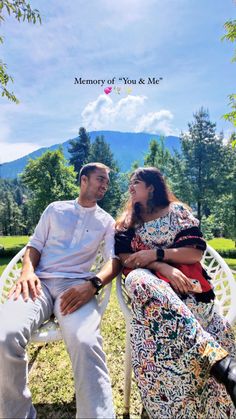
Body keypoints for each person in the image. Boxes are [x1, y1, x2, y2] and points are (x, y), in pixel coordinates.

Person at [0, 162, 121, 419]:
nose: (104, 186)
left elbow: (114, 261)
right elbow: (34, 246)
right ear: (84, 180)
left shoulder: (106, 221)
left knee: (86, 340)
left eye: (107, 183)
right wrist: (27, 272)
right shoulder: (55, 209)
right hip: (39, 283)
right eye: (100, 179)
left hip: (75, 287)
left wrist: (93, 284)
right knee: (4, 336)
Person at [115, 167, 236, 418]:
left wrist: (158, 253)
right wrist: (160, 267)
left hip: (189, 292)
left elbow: (194, 252)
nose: (130, 187)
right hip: (154, 298)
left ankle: (215, 377)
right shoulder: (128, 222)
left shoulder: (177, 213)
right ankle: (217, 361)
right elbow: (126, 260)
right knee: (137, 278)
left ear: (151, 187)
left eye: (136, 182)